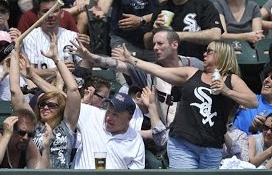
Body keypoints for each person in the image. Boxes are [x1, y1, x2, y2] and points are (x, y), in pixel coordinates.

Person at [113, 40, 258, 168]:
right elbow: (159, 70)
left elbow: (253, 102)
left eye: (209, 51)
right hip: (183, 143)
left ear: (221, 55)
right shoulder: (192, 73)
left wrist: (227, 91)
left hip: (212, 147)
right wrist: (131, 60)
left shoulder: (231, 79)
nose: (204, 54)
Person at [69, 27, 203, 128]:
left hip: (195, 130)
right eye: (154, 44)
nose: (155, 48)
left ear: (174, 45)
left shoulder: (195, 65)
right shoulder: (148, 70)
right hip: (167, 133)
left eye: (160, 44)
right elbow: (115, 65)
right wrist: (90, 56)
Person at [10, 32, 81, 169]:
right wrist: (15, 52)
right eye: (42, 104)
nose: (45, 107)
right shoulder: (33, 127)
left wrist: (56, 59)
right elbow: (15, 90)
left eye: (51, 105)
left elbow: (73, 89)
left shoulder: (67, 125)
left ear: (60, 107)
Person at [72, 92, 145, 169]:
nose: (108, 118)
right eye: (108, 111)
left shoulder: (135, 141)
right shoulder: (92, 115)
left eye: (115, 115)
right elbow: (63, 102)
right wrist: (82, 100)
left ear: (129, 118)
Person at [22, 0, 83, 79]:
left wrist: (86, 53)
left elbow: (84, 70)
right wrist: (58, 69)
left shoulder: (72, 36)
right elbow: (30, 72)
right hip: (42, 88)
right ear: (39, 15)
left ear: (61, 13)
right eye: (45, 11)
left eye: (54, 11)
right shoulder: (30, 37)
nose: (50, 15)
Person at [145, 0, 223, 60]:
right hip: (168, 65)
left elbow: (215, 35)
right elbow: (147, 44)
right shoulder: (162, 8)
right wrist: (154, 32)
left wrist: (177, 36)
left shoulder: (204, 5)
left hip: (199, 64)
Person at [233, 63, 272, 135]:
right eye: (266, 76)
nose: (266, 80)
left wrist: (254, 129)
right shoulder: (249, 99)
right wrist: (235, 105)